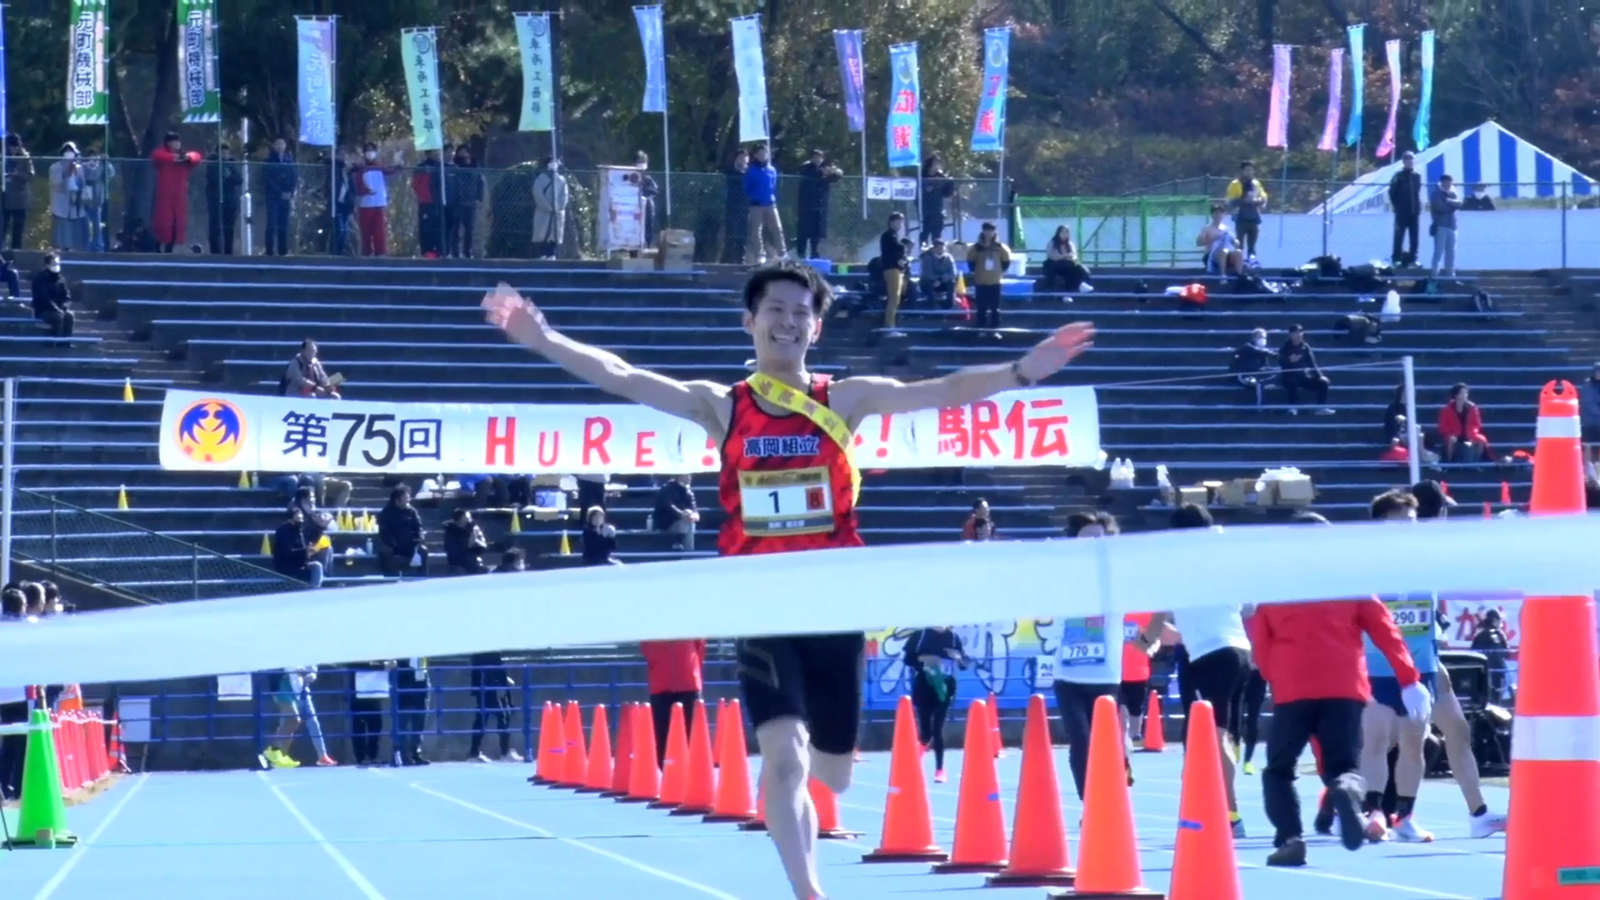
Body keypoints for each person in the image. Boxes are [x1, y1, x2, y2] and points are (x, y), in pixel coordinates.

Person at [483, 263, 1093, 900]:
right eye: (775, 309)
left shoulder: (844, 399)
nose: (788, 321)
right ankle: (808, 889)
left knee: (834, 771)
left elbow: (941, 390)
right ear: (750, 321)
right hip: (760, 602)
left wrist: (1022, 371)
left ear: (817, 328)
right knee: (784, 757)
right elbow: (623, 376)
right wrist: (543, 338)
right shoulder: (723, 406)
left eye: (802, 312)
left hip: (834, 602)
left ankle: (818, 794)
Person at [1250, 511, 1432, 867]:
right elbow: (1386, 631)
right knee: (1345, 766)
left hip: (1293, 688)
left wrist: (1276, 679)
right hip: (1345, 686)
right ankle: (1347, 791)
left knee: (1278, 770)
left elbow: (1262, 644)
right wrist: (1409, 679)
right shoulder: (1350, 581)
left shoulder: (1274, 585)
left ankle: (1290, 838)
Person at [1140, 504, 1252, 837]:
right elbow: (1248, 607)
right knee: (1221, 733)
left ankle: (1230, 814)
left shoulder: (1177, 566)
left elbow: (1157, 619)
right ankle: (1214, 806)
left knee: (1212, 737)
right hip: (1239, 650)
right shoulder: (1224, 560)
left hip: (1210, 655)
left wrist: (1141, 642)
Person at [1054, 510, 1131, 799]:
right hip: (1068, 676)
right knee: (1081, 743)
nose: (1093, 543)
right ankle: (1090, 805)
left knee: (1106, 746)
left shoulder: (1118, 575)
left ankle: (1110, 799)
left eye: (1099, 537)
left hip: (1105, 677)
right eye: (1086, 537)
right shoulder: (1061, 575)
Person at [903, 626, 968, 782]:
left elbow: (964, 663)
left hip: (945, 686)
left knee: (938, 727)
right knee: (926, 729)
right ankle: (918, 756)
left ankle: (940, 769)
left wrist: (958, 658)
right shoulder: (920, 635)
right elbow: (907, 659)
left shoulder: (953, 638)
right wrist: (923, 662)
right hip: (924, 684)